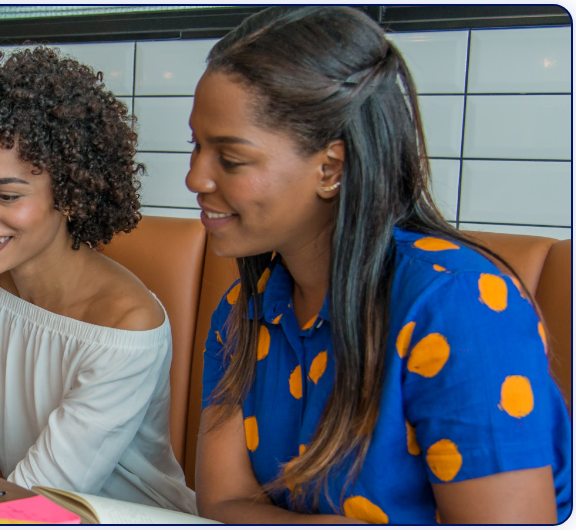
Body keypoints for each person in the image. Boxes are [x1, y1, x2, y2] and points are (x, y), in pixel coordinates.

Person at [188, 6, 571, 524]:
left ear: (330, 168)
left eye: (230, 159)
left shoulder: (458, 305)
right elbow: (225, 502)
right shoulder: (244, 310)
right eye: (197, 145)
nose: (195, 179)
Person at [0, 46, 197, 513]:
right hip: (23, 509)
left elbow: (48, 492)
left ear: (72, 195)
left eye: (6, 194)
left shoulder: (127, 326)